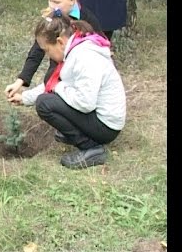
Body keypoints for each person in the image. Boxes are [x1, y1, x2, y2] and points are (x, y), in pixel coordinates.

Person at [9, 13, 126, 169]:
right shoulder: (75, 49)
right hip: (98, 115)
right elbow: (53, 83)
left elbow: (85, 103)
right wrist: (24, 98)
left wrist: (59, 88)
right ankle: (84, 136)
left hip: (106, 125)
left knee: (44, 104)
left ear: (59, 42)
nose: (48, 55)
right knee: (47, 100)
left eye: (47, 50)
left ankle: (91, 148)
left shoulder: (84, 57)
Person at [5, 0, 103, 105]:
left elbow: (102, 49)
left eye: (57, 2)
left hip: (81, 73)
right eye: (49, 1)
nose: (52, 6)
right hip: (58, 66)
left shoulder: (88, 20)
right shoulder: (51, 18)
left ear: (72, 0)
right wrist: (20, 81)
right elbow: (37, 50)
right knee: (49, 87)